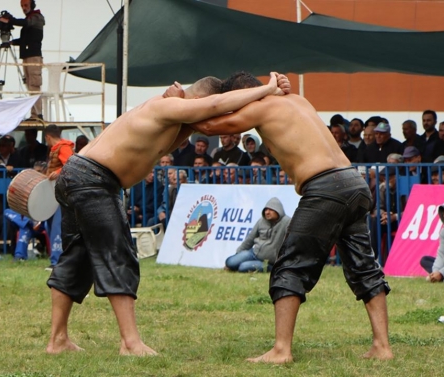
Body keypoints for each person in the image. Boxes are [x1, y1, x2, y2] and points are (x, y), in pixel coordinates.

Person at [45, 72, 289, 356]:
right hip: (93, 180)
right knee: (118, 254)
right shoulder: (166, 107)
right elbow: (215, 108)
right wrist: (268, 88)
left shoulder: (172, 122)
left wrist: (270, 95)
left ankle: (57, 340)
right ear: (197, 99)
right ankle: (129, 343)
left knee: (77, 258)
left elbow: (209, 118)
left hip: (82, 177)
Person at [190, 71, 392, 363]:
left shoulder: (260, 107)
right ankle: (382, 347)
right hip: (354, 183)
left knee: (290, 266)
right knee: (364, 267)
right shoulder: (298, 100)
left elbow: (208, 125)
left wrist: (175, 106)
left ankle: (281, 350)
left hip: (325, 187)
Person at [0, 0, 45, 119]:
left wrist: (10, 20)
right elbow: (26, 40)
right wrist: (12, 42)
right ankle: (34, 114)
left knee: (34, 86)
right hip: (27, 56)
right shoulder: (30, 20)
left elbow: (26, 23)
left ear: (32, 5)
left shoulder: (37, 17)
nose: (24, 8)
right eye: (22, 6)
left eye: (26, 5)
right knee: (30, 85)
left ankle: (38, 114)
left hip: (33, 57)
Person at [225, 197, 291, 273]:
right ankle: (236, 265)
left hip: (268, 262)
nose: (267, 212)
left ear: (278, 210)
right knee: (230, 262)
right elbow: (249, 240)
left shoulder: (287, 222)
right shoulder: (261, 221)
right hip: (254, 253)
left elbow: (293, 243)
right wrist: (237, 254)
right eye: (266, 210)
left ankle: (269, 268)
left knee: (242, 267)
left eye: (270, 210)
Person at [43, 124, 75, 269]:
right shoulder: (57, 148)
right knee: (50, 224)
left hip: (62, 192)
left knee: (57, 225)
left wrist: (59, 172)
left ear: (48, 137)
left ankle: (57, 261)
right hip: (54, 192)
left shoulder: (64, 148)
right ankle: (55, 258)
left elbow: (71, 166)